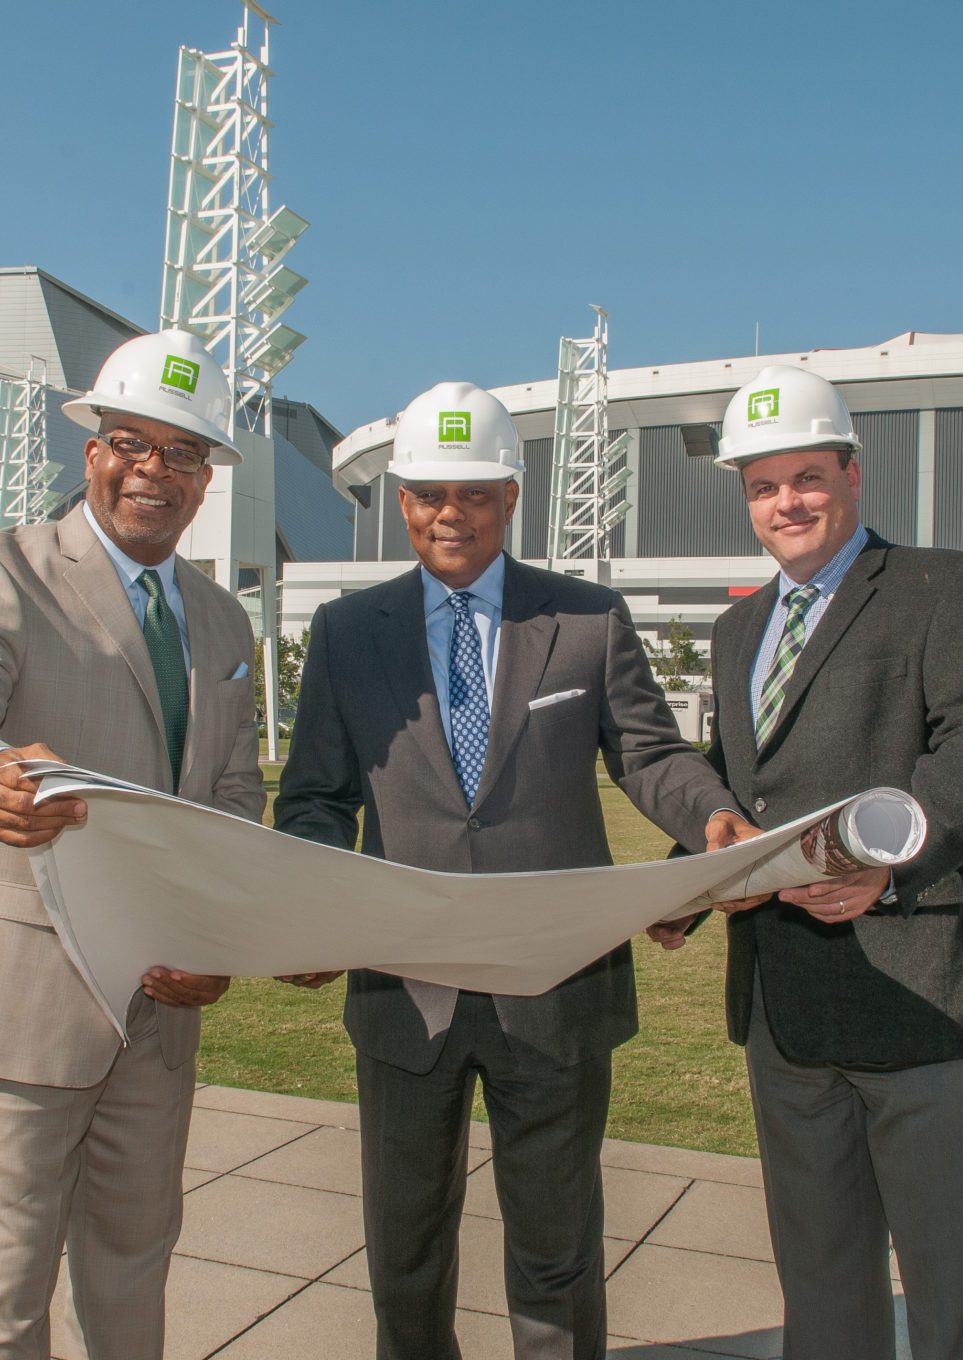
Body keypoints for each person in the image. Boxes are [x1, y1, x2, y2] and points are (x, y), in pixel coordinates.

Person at [275, 382, 760, 1360]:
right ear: (399, 500)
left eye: (471, 493)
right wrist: (322, 896)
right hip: (403, 988)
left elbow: (648, 754)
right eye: (424, 493)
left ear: (510, 494)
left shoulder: (584, 619)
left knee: (556, 1246)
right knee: (404, 1251)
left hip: (555, 984)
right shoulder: (345, 630)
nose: (446, 513)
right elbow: (315, 797)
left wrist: (709, 815)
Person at [0, 330, 265, 1360]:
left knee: (134, 1262)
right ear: (91, 448)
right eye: (131, 442)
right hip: (24, 991)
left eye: (181, 454)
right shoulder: (1, 567)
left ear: (205, 479)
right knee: (6, 1286)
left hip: (157, 1002)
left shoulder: (225, 625)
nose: (153, 469)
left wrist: (220, 937)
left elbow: (235, 802)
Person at [661, 367, 963, 1360]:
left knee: (955, 1284)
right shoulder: (737, 628)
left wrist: (889, 861)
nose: (785, 502)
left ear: (850, 473)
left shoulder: (946, 588)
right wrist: (678, 888)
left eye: (805, 477)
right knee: (819, 1277)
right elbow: (736, 783)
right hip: (784, 1008)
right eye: (761, 484)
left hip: (913, 992)